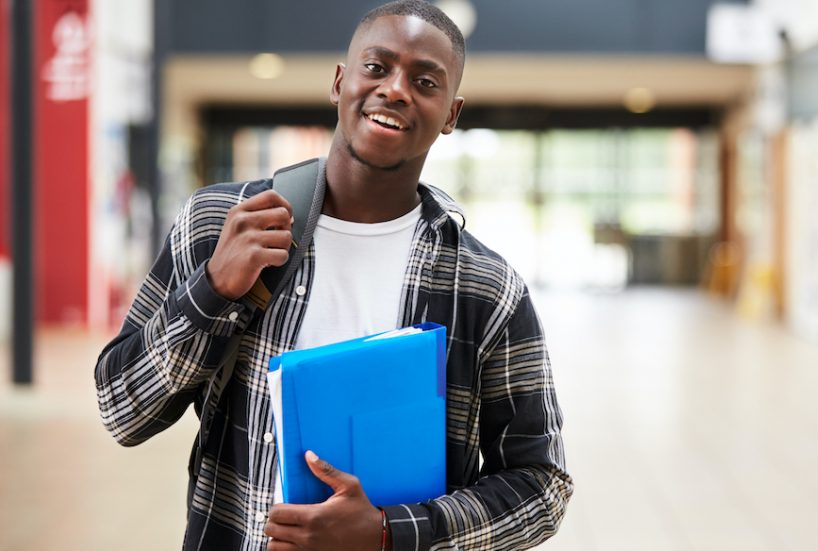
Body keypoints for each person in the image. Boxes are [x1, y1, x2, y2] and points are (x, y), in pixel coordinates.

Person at [95, 1, 573, 550]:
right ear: (340, 82)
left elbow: (541, 488)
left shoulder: (486, 289)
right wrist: (212, 291)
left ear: (451, 115)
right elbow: (122, 410)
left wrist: (388, 533)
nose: (395, 89)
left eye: (424, 81)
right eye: (377, 67)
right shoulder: (222, 224)